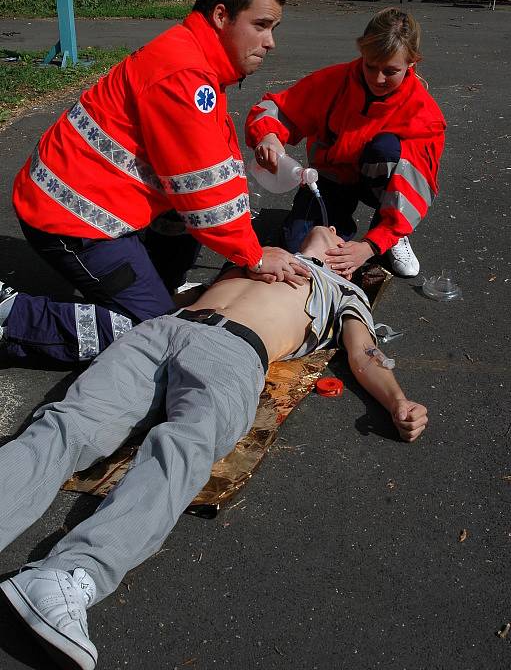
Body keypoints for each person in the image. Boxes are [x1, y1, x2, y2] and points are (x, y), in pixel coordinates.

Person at [0, 225, 428, 670]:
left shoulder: (343, 292)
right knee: (67, 425)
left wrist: (398, 401)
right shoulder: (257, 251)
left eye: (341, 232)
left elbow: (363, 357)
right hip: (161, 331)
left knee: (184, 449)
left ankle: (69, 577)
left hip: (235, 353)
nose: (335, 229)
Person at [0, 0, 309, 363]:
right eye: (262, 25)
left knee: (177, 232)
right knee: (147, 332)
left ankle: (151, 287)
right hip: (74, 219)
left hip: (82, 200)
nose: (270, 42)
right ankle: (12, 317)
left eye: (273, 29)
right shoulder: (185, 75)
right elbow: (203, 188)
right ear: (221, 16)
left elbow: (203, 165)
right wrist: (252, 254)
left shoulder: (189, 56)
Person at [246, 7, 446, 278]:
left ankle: (392, 234)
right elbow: (277, 108)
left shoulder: (423, 114)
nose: (377, 79)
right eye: (371, 66)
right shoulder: (333, 81)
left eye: (390, 71)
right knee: (298, 248)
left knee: (386, 149)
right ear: (361, 52)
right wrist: (268, 135)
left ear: (412, 62)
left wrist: (370, 245)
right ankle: (338, 224)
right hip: (331, 178)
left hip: (383, 184)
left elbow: (415, 187)